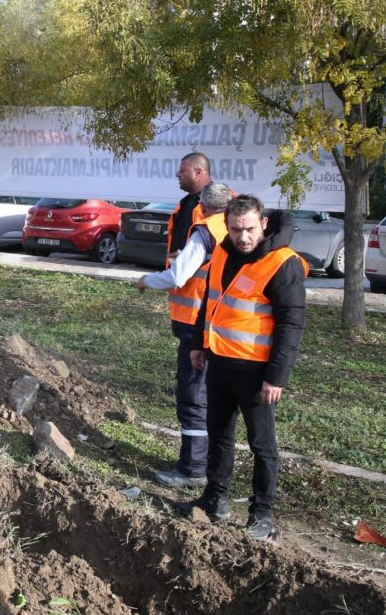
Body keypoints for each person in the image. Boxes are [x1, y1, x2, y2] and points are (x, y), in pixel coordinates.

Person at [175, 194, 306, 542]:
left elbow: (291, 325)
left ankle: (262, 514)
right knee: (219, 435)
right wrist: (201, 345)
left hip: (257, 374)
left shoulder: (283, 263)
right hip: (219, 362)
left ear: (263, 223)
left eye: (249, 229)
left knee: (262, 445)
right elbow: (211, 300)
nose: (243, 237)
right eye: (235, 230)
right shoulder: (221, 251)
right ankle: (215, 500)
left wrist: (276, 377)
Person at [147, 152, 217, 488]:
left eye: (183, 169)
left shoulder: (211, 214)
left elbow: (185, 272)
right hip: (194, 314)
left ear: (200, 172)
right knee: (200, 392)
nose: (177, 173)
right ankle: (201, 461)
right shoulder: (191, 204)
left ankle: (193, 469)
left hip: (199, 315)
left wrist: (149, 280)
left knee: (194, 393)